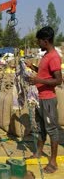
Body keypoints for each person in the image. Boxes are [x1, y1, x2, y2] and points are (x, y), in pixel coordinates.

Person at [25, 26, 62, 174]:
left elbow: (58, 80)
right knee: (40, 127)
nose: (38, 44)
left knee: (52, 129)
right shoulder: (46, 55)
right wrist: (33, 67)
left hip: (48, 100)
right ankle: (39, 152)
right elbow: (45, 74)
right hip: (40, 99)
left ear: (46, 41)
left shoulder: (53, 56)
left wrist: (38, 79)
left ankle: (53, 161)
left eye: (39, 41)